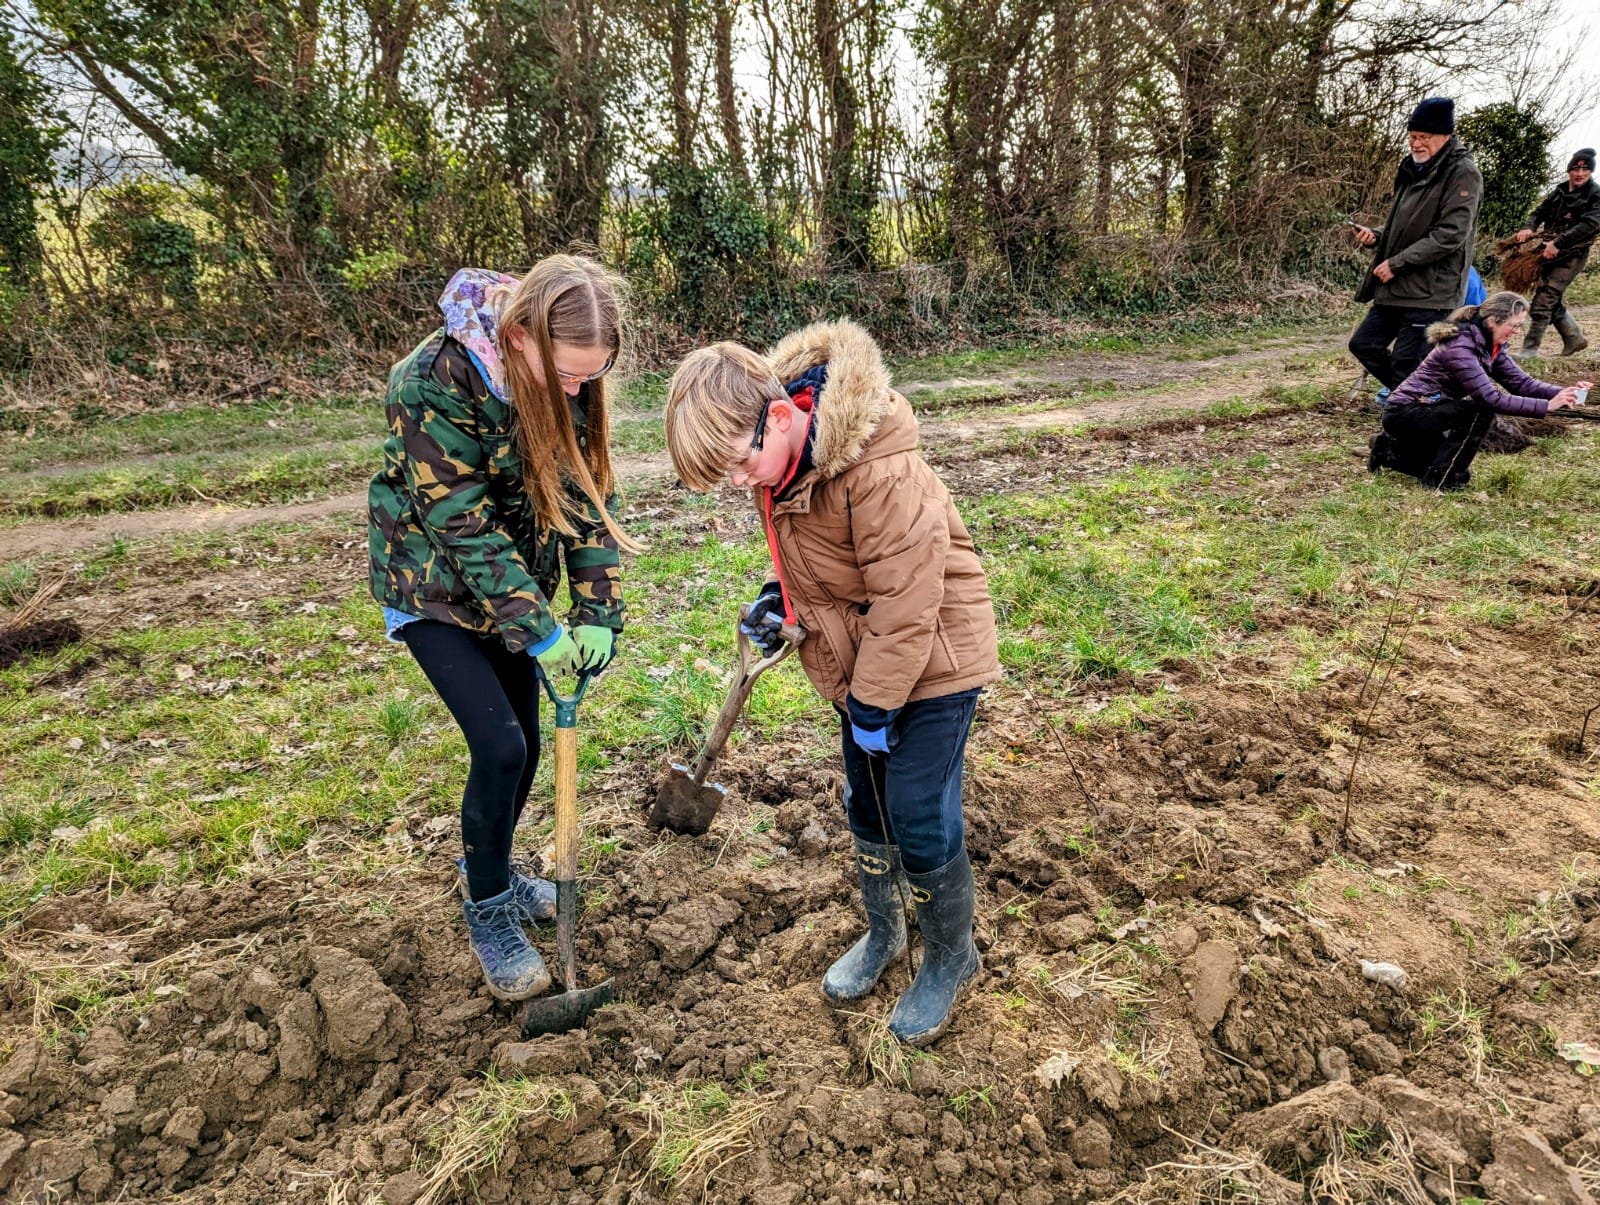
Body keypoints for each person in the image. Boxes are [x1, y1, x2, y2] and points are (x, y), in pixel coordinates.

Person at [663, 321, 1002, 1046]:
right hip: (868, 665)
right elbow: (824, 565)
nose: (737, 480)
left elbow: (908, 600)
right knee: (866, 798)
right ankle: (886, 931)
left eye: (736, 462)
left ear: (780, 417)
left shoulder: (879, 471)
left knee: (917, 808)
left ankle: (952, 955)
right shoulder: (781, 465)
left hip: (937, 657)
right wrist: (778, 600)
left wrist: (874, 704)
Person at [368, 257, 634, 1000]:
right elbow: (462, 524)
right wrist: (541, 631)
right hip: (432, 586)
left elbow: (586, 496)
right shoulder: (430, 382)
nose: (578, 390)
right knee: (500, 744)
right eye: (570, 374)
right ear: (519, 337)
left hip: (514, 589)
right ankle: (487, 908)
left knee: (526, 745)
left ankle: (495, 872)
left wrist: (597, 611)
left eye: (592, 376)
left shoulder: (569, 380)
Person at [1368, 290, 1588, 491]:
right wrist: (1547, 406)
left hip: (1431, 409)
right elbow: (1490, 398)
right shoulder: (1460, 346)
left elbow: (1522, 383)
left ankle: (1386, 451)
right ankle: (1443, 479)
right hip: (1406, 412)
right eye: (1513, 326)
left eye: (1520, 326)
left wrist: (1565, 393)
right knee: (1479, 412)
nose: (1516, 332)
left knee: (1451, 467)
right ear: (1492, 321)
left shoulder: (1489, 344)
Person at [1349, 97, 1483, 402]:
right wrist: (1377, 236)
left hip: (1431, 290)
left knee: (1406, 363)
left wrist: (1396, 263)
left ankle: (1408, 413)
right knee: (1364, 344)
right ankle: (1423, 397)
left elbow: (1450, 234)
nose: (1416, 144)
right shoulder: (1413, 169)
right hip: (1397, 287)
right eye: (1412, 136)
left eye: (1424, 137)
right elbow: (1405, 225)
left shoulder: (1463, 173)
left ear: (1445, 136)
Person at [1513, 147, 1600, 356]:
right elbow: (1537, 212)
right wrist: (1529, 227)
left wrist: (1558, 243)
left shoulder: (1595, 195)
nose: (1580, 174)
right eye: (1575, 169)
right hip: (1548, 252)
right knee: (1551, 298)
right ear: (1569, 170)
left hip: (1572, 255)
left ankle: (1529, 352)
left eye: (1585, 170)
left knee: (1544, 299)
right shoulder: (1559, 191)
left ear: (1591, 172)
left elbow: (1590, 224)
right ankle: (1574, 338)